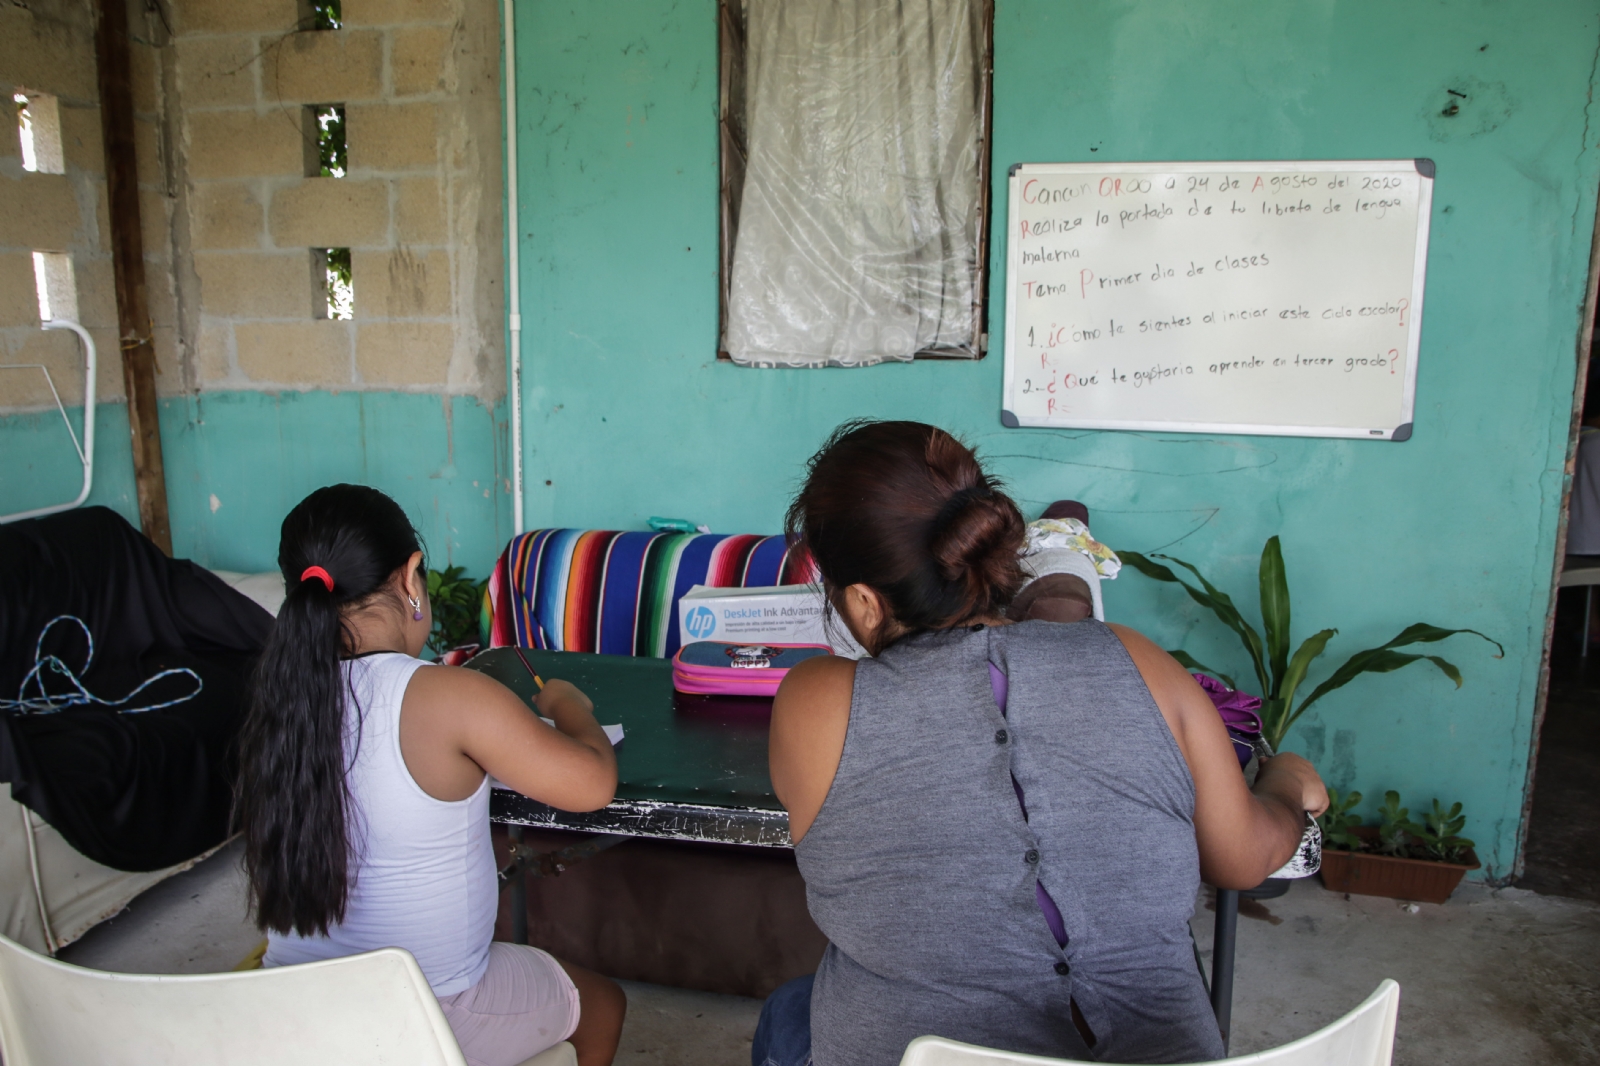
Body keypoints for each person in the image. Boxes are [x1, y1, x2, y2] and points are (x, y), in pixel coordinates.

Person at [755, 422, 1328, 1066]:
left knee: (786, 1016)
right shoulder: (1137, 658)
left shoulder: (814, 700)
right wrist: (1285, 783)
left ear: (862, 601)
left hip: (913, 1050)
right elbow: (1243, 859)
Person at [236, 485, 626, 1066]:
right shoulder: (449, 695)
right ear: (411, 576)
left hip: (294, 1008)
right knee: (603, 1004)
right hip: (432, 1014)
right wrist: (571, 707)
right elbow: (593, 783)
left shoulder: (279, 704)